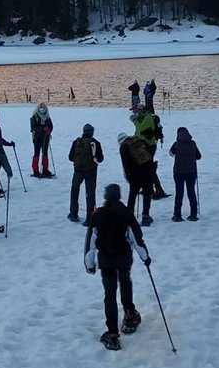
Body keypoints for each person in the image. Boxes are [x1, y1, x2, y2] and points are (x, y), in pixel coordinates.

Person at [83, 183, 149, 351]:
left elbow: (90, 241)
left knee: (109, 293)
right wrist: (145, 257)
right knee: (125, 281)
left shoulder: (98, 215)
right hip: (123, 258)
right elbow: (136, 238)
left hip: (106, 260)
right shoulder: (126, 213)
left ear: (105, 196)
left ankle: (112, 333)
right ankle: (129, 313)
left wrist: (89, 263)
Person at [67, 123, 103, 224]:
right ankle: (90, 217)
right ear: (92, 132)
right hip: (91, 171)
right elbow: (100, 159)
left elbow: (70, 157)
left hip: (78, 171)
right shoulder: (95, 143)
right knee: (90, 194)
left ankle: (73, 213)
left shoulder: (76, 142)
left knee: (75, 190)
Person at [131, 107, 167, 199]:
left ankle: (159, 189)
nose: (133, 113)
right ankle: (147, 187)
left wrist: (134, 121)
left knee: (149, 167)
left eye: (135, 111)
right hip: (143, 145)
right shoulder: (141, 118)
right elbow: (138, 133)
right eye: (133, 111)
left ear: (140, 110)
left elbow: (142, 128)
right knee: (143, 167)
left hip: (149, 146)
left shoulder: (147, 118)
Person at [168, 126, 202, 221]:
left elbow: (171, 154)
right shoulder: (193, 144)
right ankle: (193, 214)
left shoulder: (176, 144)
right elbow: (198, 156)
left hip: (178, 172)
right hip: (191, 171)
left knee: (179, 193)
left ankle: (177, 215)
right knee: (191, 192)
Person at [29, 102, 55, 178]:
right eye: (41, 108)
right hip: (37, 138)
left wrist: (48, 130)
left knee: (45, 153)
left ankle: (45, 169)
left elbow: (51, 126)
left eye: (43, 108)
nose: (42, 109)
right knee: (36, 153)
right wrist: (42, 129)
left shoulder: (47, 117)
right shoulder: (35, 116)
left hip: (45, 138)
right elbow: (33, 127)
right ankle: (35, 170)